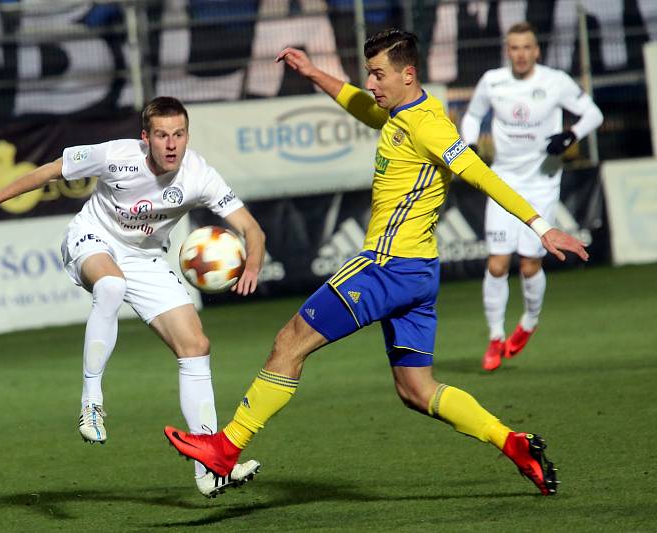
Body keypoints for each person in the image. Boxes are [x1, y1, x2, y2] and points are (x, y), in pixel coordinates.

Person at [164, 30, 590, 496]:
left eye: (378, 73)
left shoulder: (430, 126)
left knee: (289, 342)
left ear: (408, 74)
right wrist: (312, 73)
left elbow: (480, 173)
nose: (370, 82)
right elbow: (362, 108)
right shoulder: (398, 113)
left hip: (386, 265)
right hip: (420, 273)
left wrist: (541, 226)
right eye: (369, 72)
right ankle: (513, 443)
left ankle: (226, 448)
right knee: (416, 390)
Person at [0, 96, 266, 498]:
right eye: (161, 135)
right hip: (93, 239)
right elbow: (52, 171)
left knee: (196, 346)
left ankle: (210, 466)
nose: (171, 144)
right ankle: (91, 401)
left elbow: (251, 230)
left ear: (187, 135)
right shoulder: (117, 155)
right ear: (146, 138)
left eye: (179, 134)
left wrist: (254, 264)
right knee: (110, 286)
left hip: (145, 258)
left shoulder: (199, 175)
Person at [461, 22, 603, 372]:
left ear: (536, 51)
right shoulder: (493, 81)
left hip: (541, 184)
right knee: (496, 263)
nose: (521, 54)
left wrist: (571, 135)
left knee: (528, 264)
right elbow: (473, 115)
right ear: (507, 51)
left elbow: (594, 114)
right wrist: (471, 144)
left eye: (527, 47)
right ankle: (495, 338)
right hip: (502, 182)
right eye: (514, 48)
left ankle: (529, 322)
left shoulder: (555, 81)